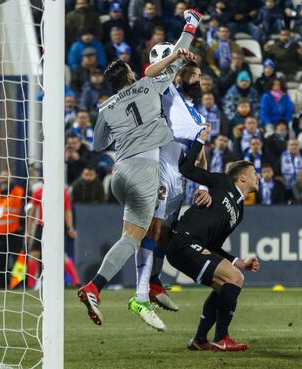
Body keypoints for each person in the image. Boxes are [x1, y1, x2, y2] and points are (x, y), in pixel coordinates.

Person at [77, 11, 201, 328]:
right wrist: (191, 26)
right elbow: (175, 60)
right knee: (138, 236)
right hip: (146, 168)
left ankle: (112, 287)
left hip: (120, 174)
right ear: (131, 77)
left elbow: (99, 144)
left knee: (131, 234)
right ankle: (121, 291)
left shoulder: (105, 108)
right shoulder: (147, 86)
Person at [129, 59, 211, 330]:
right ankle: (140, 295)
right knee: (152, 231)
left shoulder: (197, 116)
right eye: (192, 75)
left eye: (199, 75)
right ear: (179, 78)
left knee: (165, 234)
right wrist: (177, 56)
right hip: (161, 170)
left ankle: (153, 284)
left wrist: (203, 186)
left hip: (180, 181)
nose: (198, 80)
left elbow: (201, 157)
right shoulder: (169, 94)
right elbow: (149, 74)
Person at [166, 128, 260, 351]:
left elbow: (214, 246)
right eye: (254, 172)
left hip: (193, 246)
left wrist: (239, 261)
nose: (257, 176)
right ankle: (222, 337)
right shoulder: (222, 182)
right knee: (234, 278)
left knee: (228, 281)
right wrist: (200, 140)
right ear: (243, 176)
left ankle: (200, 340)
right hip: (182, 240)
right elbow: (187, 168)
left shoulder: (239, 211)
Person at [0, 169, 25, 289]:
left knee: (18, 261)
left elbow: (25, 210)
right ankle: (1, 287)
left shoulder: (19, 191)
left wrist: (22, 227)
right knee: (0, 262)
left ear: (11, 179)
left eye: (7, 176)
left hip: (15, 232)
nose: (4, 179)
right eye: (2, 177)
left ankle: (18, 284)